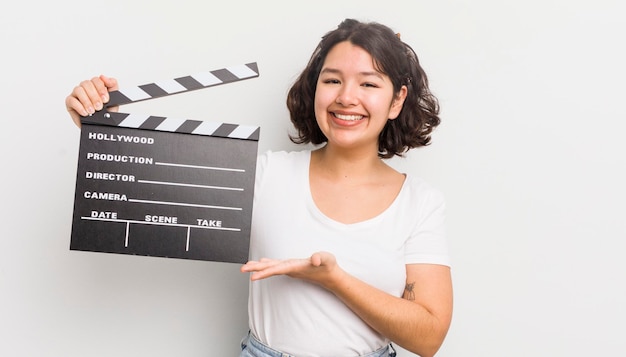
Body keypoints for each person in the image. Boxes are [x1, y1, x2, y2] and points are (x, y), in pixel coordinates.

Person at [66, 18, 452, 357]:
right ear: (315, 89)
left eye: (369, 83)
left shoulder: (420, 203)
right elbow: (150, 187)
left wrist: (335, 280)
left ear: (397, 100)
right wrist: (104, 127)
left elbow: (429, 337)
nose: (346, 97)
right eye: (332, 80)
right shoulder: (266, 175)